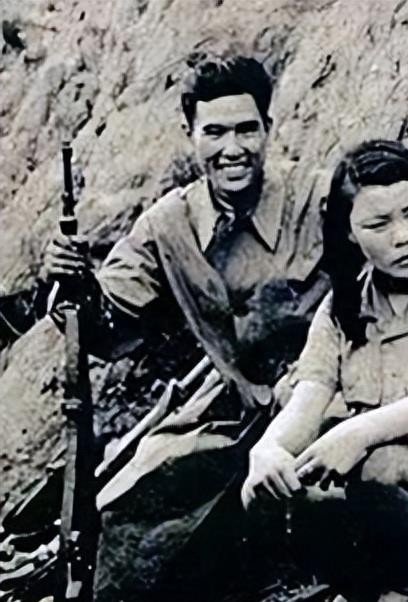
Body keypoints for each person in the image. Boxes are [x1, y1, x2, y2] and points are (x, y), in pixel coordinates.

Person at [41, 54, 329, 601]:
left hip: (330, 400)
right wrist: (70, 283)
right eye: (214, 132)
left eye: (246, 130)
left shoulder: (318, 198)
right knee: (134, 503)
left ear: (268, 128)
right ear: (190, 134)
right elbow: (108, 327)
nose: (232, 149)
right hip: (237, 415)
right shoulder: (166, 225)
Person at [240, 140, 408, 602]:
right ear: (349, 233)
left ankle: (403, 593)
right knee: (275, 487)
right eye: (378, 224)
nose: (403, 236)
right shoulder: (341, 310)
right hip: (375, 506)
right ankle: (365, 586)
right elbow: (307, 400)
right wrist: (268, 451)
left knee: (384, 459)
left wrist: (358, 432)